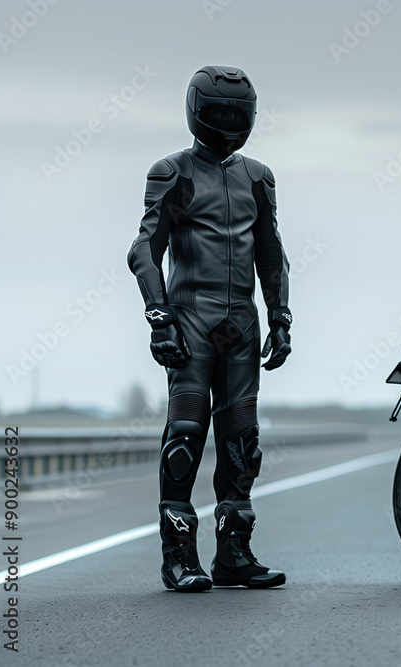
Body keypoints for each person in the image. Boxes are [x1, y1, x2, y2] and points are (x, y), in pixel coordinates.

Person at [127, 65, 292, 592]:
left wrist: (281, 317)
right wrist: (159, 315)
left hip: (240, 323)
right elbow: (143, 249)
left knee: (242, 442)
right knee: (186, 436)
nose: (227, 122)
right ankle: (177, 556)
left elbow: (271, 255)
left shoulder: (258, 177)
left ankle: (233, 554)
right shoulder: (174, 172)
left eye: (235, 114)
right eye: (218, 113)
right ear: (197, 112)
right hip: (191, 320)